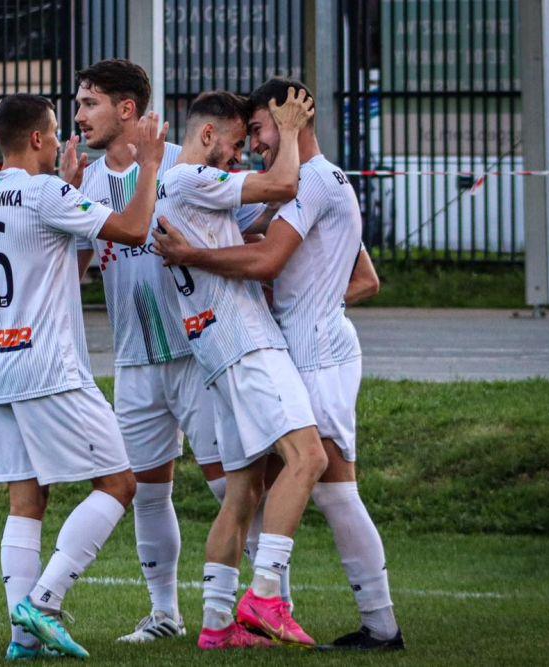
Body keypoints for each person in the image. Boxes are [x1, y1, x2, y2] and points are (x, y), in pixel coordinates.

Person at [154, 77, 404, 652]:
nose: (255, 145)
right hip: (270, 348)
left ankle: (371, 622)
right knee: (254, 488)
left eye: (261, 129)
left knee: (328, 485)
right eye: (247, 135)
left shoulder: (308, 180)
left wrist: (197, 256)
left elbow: (273, 260)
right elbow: (355, 274)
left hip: (310, 353)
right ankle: (232, 619)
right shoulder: (296, 183)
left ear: (292, 120)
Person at [0, 93, 167, 660]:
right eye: (55, 132)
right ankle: (44, 600)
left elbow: (44, 256)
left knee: (27, 500)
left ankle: (22, 640)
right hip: (49, 367)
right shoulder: (44, 193)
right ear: (37, 139)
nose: (61, 141)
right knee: (120, 483)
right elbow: (134, 229)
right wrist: (151, 165)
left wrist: (69, 187)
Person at [66, 58, 259, 643]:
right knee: (149, 492)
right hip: (134, 361)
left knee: (229, 485)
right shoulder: (88, 182)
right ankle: (165, 615)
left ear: (127, 109)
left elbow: (255, 218)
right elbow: (72, 268)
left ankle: (269, 602)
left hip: (199, 354)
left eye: (89, 104)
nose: (79, 116)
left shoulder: (182, 162)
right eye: (79, 104)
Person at [151, 89, 324, 651]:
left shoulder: (186, 190)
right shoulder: (188, 179)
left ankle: (217, 623)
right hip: (244, 341)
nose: (239, 155)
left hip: (215, 350)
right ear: (206, 136)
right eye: (233, 144)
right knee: (308, 457)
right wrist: (290, 129)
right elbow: (283, 186)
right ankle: (266, 595)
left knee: (244, 491)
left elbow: (263, 213)